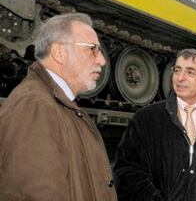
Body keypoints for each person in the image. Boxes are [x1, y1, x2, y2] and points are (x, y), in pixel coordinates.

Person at [0, 13, 117, 200]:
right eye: (92, 49)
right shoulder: (35, 107)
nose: (102, 61)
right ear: (59, 53)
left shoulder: (56, 105)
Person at [113, 48, 196, 201]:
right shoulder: (146, 118)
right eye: (177, 70)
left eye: (190, 72)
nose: (180, 78)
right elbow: (127, 171)